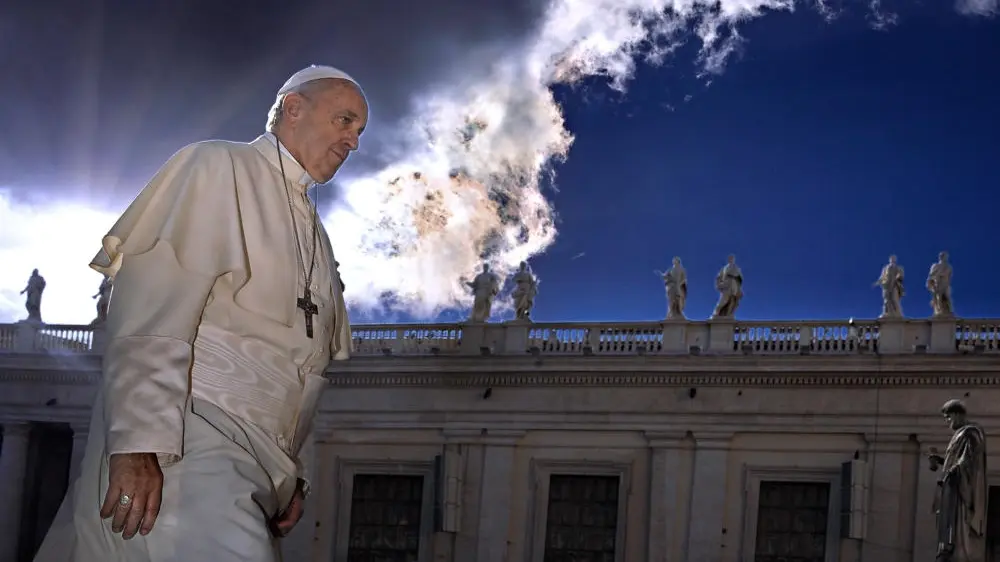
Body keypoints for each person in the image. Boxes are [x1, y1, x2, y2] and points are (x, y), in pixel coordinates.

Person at [35, 65, 366, 562]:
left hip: (257, 463)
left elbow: (303, 364)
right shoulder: (215, 167)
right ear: (294, 108)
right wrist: (138, 445)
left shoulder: (316, 231)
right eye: (345, 120)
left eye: (359, 131)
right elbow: (152, 311)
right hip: (188, 443)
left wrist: (292, 475)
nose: (353, 141)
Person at [928, 399, 988, 562]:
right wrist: (941, 461)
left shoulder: (971, 433)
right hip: (953, 484)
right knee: (949, 522)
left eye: (948, 417)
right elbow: (955, 461)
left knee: (958, 522)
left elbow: (968, 459)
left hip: (962, 488)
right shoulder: (960, 434)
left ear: (956, 414)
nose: (947, 421)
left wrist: (952, 471)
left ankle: (957, 550)